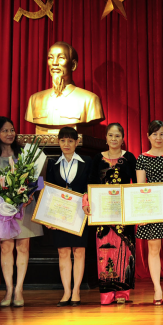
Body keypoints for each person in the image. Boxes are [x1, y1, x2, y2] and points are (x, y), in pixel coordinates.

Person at [0, 117, 46, 307]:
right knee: (6, 248)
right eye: (5, 130)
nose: (10, 134)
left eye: (12, 130)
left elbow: (39, 180)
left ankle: (19, 289)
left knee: (23, 248)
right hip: (1, 211)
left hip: (24, 208)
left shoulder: (25, 154)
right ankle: (8, 290)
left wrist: (31, 195)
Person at [89, 123, 137, 305]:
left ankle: (123, 292)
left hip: (124, 213)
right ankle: (106, 292)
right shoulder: (97, 159)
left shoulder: (129, 158)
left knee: (125, 250)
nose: (114, 139)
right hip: (103, 214)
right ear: (106, 138)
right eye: (111, 135)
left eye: (117, 136)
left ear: (123, 138)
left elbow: (136, 183)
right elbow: (91, 183)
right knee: (105, 251)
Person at [45, 126, 93, 306]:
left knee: (79, 251)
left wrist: (87, 197)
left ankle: (76, 291)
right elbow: (47, 191)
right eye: (63, 140)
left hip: (80, 213)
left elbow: (91, 184)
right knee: (63, 251)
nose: (66, 144)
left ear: (77, 142)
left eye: (70, 141)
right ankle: (66, 292)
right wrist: (47, 217)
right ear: (58, 142)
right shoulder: (52, 163)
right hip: (60, 214)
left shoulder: (87, 161)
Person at [135, 120, 163, 305]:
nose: (158, 138)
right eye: (154, 134)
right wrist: (142, 213)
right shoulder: (142, 158)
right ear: (148, 136)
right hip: (152, 208)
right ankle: (156, 288)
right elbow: (140, 187)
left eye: (162, 134)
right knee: (153, 248)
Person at [25, 41, 104, 134]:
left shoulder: (90, 100)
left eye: (61, 58)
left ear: (73, 65)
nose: (54, 63)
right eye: (50, 58)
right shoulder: (34, 99)